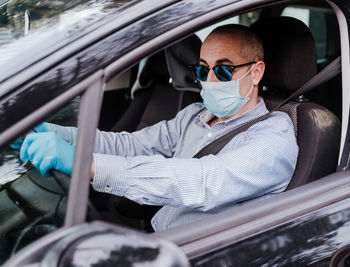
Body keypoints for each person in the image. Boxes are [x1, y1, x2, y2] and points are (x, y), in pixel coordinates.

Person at [16, 24, 298, 231]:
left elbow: (204, 181)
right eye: (202, 70)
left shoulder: (274, 136)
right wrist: (56, 134)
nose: (210, 80)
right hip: (157, 239)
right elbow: (130, 145)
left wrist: (87, 165)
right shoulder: (196, 115)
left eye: (224, 70)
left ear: (256, 72)